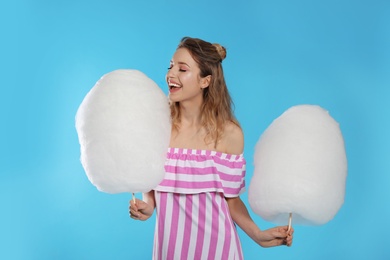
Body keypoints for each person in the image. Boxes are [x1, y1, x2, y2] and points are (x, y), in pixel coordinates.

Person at [129, 37, 293, 259]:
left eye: (182, 69)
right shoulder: (158, 126)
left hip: (219, 250)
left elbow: (231, 200)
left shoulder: (229, 134)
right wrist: (148, 205)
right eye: (170, 66)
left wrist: (258, 235)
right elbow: (151, 179)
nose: (171, 74)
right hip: (170, 250)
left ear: (205, 81)